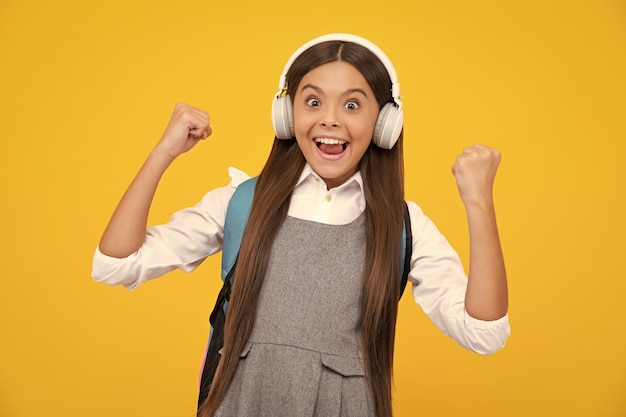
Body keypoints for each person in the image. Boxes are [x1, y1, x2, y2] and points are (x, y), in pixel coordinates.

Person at [92, 33, 510, 417]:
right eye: (313, 102)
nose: (329, 119)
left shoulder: (403, 226)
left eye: (352, 104)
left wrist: (478, 203)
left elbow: (483, 333)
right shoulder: (243, 201)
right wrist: (163, 153)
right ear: (287, 115)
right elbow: (116, 264)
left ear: (384, 123)